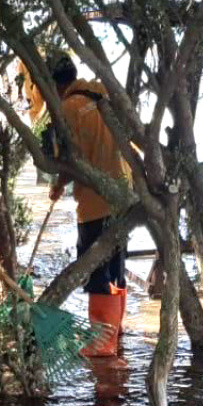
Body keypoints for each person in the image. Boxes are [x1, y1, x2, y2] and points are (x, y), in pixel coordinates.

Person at [45, 54, 131, 357]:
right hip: (125, 196)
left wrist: (58, 184)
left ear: (54, 84)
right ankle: (116, 329)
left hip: (95, 202)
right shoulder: (101, 92)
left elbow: (72, 159)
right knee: (116, 266)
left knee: (97, 271)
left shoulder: (68, 109)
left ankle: (102, 342)